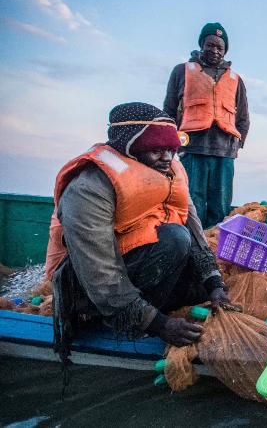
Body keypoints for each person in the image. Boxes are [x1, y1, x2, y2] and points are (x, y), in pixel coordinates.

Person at [45, 103, 230, 363]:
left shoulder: (171, 172)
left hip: (138, 265)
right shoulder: (88, 188)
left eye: (171, 150)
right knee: (176, 238)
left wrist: (214, 285)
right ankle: (119, 321)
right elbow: (98, 271)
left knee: (198, 280)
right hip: (87, 289)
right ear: (130, 148)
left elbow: (195, 233)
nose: (167, 158)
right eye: (156, 151)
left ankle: (146, 308)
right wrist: (159, 324)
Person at [164, 22, 250, 229]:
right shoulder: (182, 71)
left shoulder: (236, 80)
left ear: (225, 50)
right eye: (210, 45)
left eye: (220, 47)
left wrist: (237, 145)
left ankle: (214, 247)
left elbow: (243, 118)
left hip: (225, 153)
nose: (215, 50)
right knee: (192, 204)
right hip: (192, 150)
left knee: (220, 207)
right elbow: (168, 111)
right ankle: (193, 246)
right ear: (202, 44)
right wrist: (170, 145)